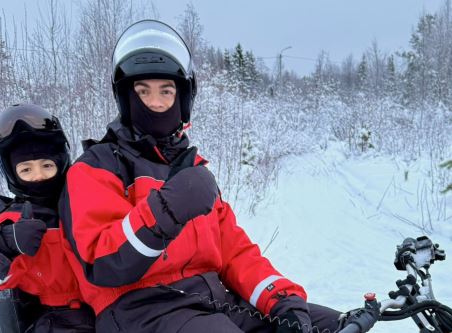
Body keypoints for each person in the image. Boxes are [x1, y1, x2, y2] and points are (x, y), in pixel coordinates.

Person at [59, 19, 341, 333]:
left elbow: (235, 252)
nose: (155, 103)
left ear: (182, 99)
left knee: (331, 325)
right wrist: (165, 210)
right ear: (125, 98)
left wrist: (282, 301)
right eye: (143, 91)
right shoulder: (95, 167)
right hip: (138, 310)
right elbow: (101, 260)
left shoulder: (193, 171)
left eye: (166, 91)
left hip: (210, 302)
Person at [0, 104, 95, 332]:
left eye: (47, 166)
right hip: (52, 320)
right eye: (26, 169)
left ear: (61, 161)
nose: (38, 176)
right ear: (10, 172)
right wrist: (5, 243)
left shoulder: (84, 199)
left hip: (102, 310)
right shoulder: (13, 217)